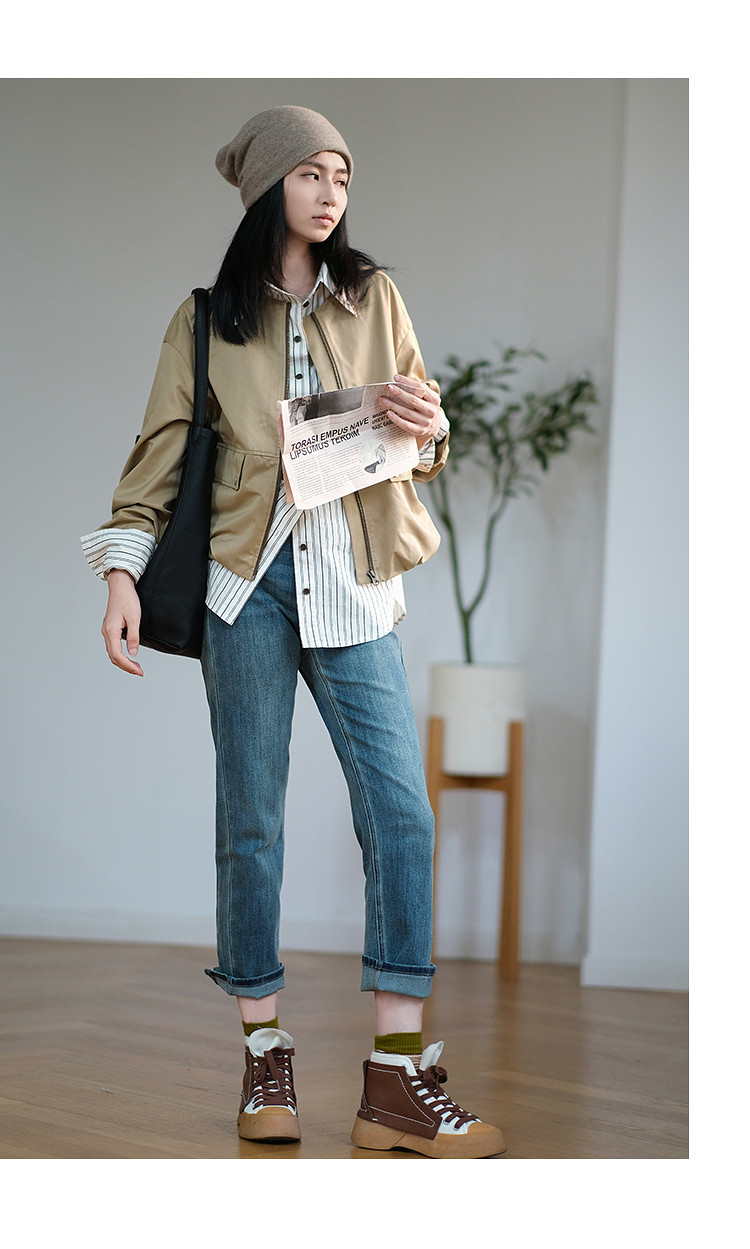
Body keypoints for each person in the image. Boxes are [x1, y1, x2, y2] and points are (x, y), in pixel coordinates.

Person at [82, 105, 505, 1159]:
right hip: (248, 585)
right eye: (312, 173)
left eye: (342, 176)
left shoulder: (374, 295)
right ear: (268, 185)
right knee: (251, 822)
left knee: (401, 815)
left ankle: (395, 1077)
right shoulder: (203, 321)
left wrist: (428, 424)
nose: (331, 192)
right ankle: (263, 1052)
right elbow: (156, 459)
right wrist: (122, 575)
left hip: (353, 580)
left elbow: (428, 431)